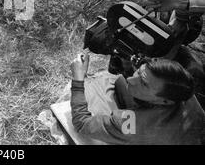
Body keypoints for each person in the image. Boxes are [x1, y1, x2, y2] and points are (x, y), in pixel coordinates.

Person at [70, 52, 205, 145]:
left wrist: (78, 78)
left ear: (165, 101)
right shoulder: (185, 93)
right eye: (139, 72)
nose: (131, 79)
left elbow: (81, 123)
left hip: (150, 131)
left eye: (143, 83)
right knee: (121, 82)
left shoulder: (131, 124)